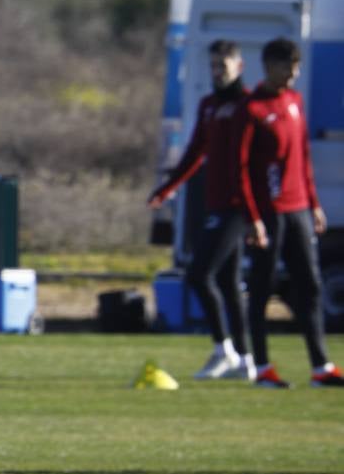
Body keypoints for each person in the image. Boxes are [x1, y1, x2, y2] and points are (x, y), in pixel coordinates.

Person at [238, 37, 343, 388]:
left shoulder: (295, 102)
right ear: (269, 66)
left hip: (298, 210)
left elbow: (302, 159)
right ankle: (263, 368)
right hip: (268, 214)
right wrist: (252, 216)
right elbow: (242, 170)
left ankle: (320, 367)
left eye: (297, 67)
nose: (294, 74)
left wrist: (314, 204)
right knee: (262, 287)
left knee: (310, 286)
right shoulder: (251, 109)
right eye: (288, 67)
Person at [146, 40, 253, 381]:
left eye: (223, 66)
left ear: (239, 67)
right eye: (213, 66)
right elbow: (195, 152)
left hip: (238, 206)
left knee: (198, 274)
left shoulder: (247, 106)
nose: (217, 73)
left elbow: (252, 162)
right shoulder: (209, 106)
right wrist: (167, 188)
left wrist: (256, 211)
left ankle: (223, 349)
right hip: (216, 201)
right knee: (228, 282)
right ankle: (245, 360)